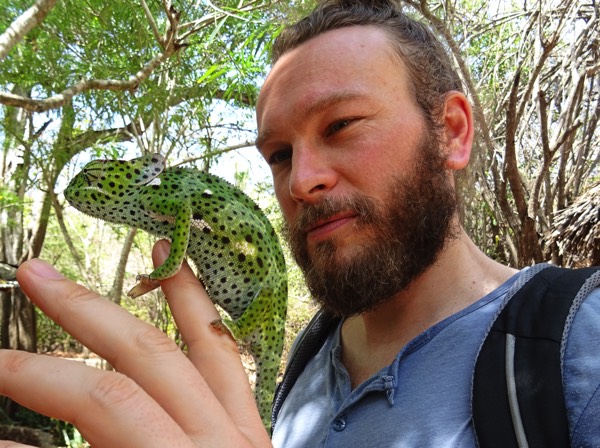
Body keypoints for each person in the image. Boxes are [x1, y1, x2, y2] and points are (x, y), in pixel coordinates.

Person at [1, 0, 599, 446]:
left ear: (453, 132)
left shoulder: (576, 349)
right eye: (279, 155)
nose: (300, 181)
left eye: (342, 125)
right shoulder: (309, 367)